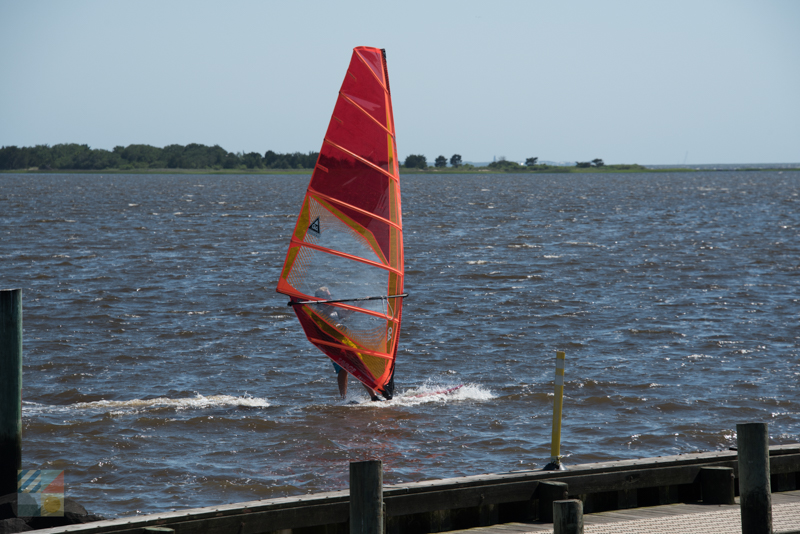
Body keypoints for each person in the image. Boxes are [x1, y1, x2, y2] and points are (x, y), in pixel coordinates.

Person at [314, 287, 379, 401]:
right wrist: (334, 303)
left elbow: (346, 312)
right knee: (343, 369)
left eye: (330, 295)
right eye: (327, 296)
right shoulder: (318, 311)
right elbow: (325, 313)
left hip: (345, 341)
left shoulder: (333, 310)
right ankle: (344, 399)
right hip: (332, 344)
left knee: (359, 364)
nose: (330, 297)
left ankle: (373, 396)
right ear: (320, 298)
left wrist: (359, 304)